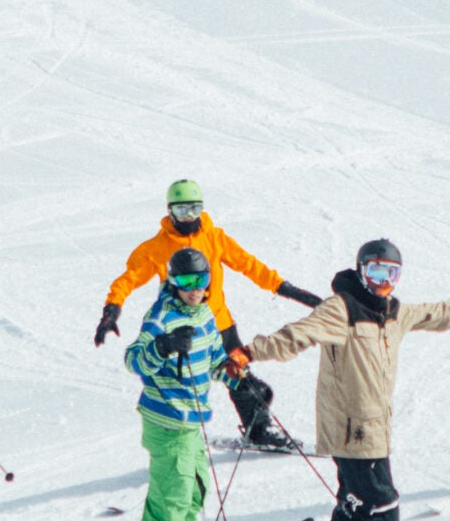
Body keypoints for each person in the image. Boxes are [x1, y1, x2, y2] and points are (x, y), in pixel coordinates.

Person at [230, 239, 450, 521]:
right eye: (376, 271)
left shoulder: (392, 312)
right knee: (381, 511)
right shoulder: (342, 309)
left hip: (368, 429)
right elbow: (297, 334)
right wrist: (250, 352)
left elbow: (431, 314)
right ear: (360, 270)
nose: (384, 280)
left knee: (352, 509)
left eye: (392, 273)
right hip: (354, 431)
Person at [95, 179, 324, 452]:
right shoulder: (155, 249)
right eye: (182, 211)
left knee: (238, 373)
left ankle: (259, 429)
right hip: (181, 327)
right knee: (182, 380)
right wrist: (112, 310)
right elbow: (128, 279)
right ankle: (176, 432)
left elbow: (249, 265)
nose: (189, 217)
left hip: (219, 325)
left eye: (194, 209)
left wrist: (290, 291)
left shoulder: (215, 238)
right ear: (170, 211)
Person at [115, 247, 221, 521]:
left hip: (193, 424)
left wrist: (240, 379)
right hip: (167, 423)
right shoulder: (160, 317)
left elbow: (217, 357)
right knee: (167, 507)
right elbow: (133, 360)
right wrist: (161, 346)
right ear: (173, 281)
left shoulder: (206, 313)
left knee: (194, 493)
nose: (195, 289)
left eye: (202, 281)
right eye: (187, 281)